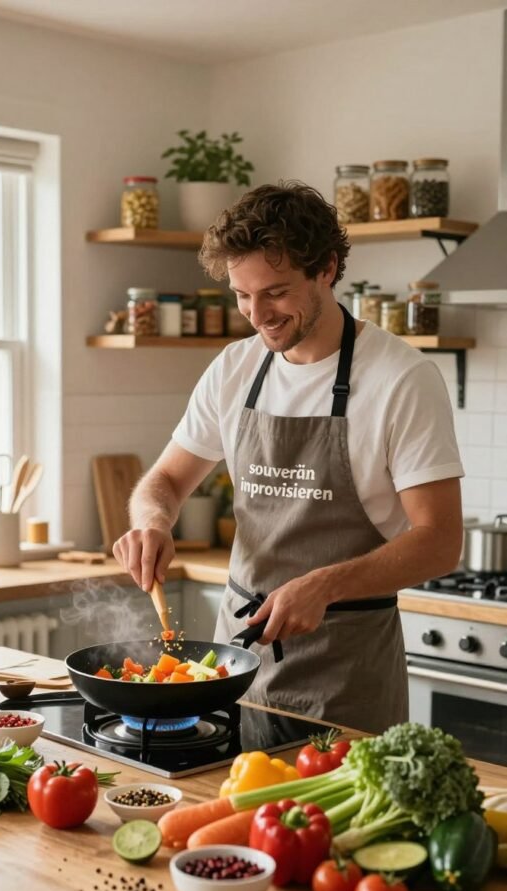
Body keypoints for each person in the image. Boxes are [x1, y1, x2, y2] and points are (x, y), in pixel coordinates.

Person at [115, 181, 464, 732]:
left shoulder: (402, 379)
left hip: (345, 669)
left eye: (275, 292)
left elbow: (440, 542)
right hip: (235, 667)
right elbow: (163, 481)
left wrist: (324, 585)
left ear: (326, 269)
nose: (258, 314)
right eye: (242, 295)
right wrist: (152, 522)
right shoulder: (234, 368)